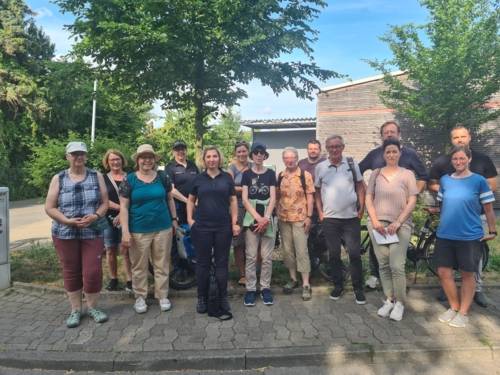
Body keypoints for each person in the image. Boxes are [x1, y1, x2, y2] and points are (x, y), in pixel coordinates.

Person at [429, 125, 498, 307]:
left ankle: (476, 293)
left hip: (474, 221)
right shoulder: (445, 173)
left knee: (471, 268)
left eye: (463, 136)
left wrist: (471, 193)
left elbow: (490, 200)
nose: (460, 140)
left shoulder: (481, 167)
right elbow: (434, 186)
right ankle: (452, 299)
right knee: (445, 269)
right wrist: (454, 195)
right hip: (449, 228)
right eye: (456, 137)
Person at [45, 141, 109, 328]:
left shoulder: (96, 175)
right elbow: (49, 207)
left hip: (92, 231)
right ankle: (75, 310)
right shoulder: (59, 178)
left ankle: (93, 308)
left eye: (81, 154)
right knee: (71, 271)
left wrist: (96, 215)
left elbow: (105, 203)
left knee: (93, 271)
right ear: (67, 157)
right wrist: (66, 221)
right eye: (74, 154)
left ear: (86, 156)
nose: (78, 157)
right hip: (65, 232)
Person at [359, 120, 428, 289]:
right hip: (379, 210)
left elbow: (424, 176)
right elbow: (358, 172)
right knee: (379, 245)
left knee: (397, 248)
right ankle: (375, 276)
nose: (389, 134)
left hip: (401, 210)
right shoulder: (374, 154)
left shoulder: (409, 154)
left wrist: (412, 195)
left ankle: (397, 282)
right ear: (381, 136)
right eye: (386, 132)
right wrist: (369, 191)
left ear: (399, 134)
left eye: (392, 132)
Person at [119, 144, 178, 314]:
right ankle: (140, 297)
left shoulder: (162, 177)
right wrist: (125, 231)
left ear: (154, 160)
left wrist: (174, 219)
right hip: (138, 230)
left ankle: (162, 295)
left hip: (163, 227)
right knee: (139, 265)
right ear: (137, 160)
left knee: (162, 263)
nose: (147, 160)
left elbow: (170, 199)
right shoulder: (129, 180)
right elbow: (123, 207)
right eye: (143, 157)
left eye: (150, 157)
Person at [365, 139, 419, 321]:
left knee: (397, 265)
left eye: (394, 151)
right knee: (383, 264)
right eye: (388, 152)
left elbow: (412, 201)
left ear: (400, 153)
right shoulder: (376, 174)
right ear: (383, 154)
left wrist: (398, 222)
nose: (391, 155)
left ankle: (400, 303)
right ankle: (389, 299)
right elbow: (368, 198)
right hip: (378, 225)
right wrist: (374, 221)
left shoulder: (407, 174)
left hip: (400, 225)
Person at [187, 146, 240, 318]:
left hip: (223, 227)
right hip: (202, 227)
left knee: (222, 264)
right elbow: (191, 199)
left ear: (219, 158)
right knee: (202, 264)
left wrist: (234, 222)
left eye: (214, 156)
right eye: (208, 156)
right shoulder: (198, 179)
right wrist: (190, 219)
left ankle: (223, 297)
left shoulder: (227, 178)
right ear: (204, 159)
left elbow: (232, 200)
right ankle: (202, 298)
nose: (211, 159)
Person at [315, 135, 366, 305]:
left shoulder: (351, 164)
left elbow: (360, 186)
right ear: (326, 148)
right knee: (334, 255)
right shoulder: (321, 167)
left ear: (343, 147)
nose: (334, 149)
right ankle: (338, 285)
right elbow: (316, 191)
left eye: (337, 146)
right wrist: (321, 212)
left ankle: (358, 288)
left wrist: (362, 209)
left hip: (351, 218)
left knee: (354, 254)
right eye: (331, 147)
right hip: (330, 219)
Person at [277, 147, 315, 301]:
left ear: (297, 158)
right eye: (286, 158)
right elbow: (277, 196)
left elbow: (310, 197)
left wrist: (309, 217)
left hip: (300, 218)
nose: (290, 160)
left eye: (292, 157)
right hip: (283, 219)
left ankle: (306, 284)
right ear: (283, 160)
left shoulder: (305, 176)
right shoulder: (280, 176)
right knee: (287, 251)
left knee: (302, 251)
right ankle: (293, 279)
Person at [241, 142, 276, 306]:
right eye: (256, 153)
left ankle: (265, 288)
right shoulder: (246, 174)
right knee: (251, 256)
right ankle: (250, 289)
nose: (259, 155)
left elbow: (273, 197)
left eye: (262, 153)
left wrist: (266, 218)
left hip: (268, 218)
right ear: (252, 155)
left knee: (267, 257)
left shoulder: (271, 173)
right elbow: (245, 199)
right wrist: (257, 218)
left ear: (265, 155)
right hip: (251, 218)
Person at [101, 149, 132, 292]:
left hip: (127, 218)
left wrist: (122, 214)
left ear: (122, 160)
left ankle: (130, 280)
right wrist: (121, 209)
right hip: (108, 219)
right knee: (110, 249)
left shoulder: (130, 177)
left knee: (126, 249)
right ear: (107, 162)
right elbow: (102, 200)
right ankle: (113, 279)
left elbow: (134, 197)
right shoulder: (102, 178)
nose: (115, 162)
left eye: (117, 159)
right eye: (112, 160)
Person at [227, 141, 252, 286]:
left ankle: (253, 272)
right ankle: (242, 274)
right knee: (239, 243)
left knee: (254, 243)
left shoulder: (253, 166)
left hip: (253, 208)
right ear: (235, 153)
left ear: (248, 152)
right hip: (237, 208)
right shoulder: (231, 169)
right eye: (239, 152)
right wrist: (247, 189)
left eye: (244, 151)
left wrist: (242, 188)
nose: (242, 154)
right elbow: (230, 188)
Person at [165, 140, 199, 225]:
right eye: (177, 149)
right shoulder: (170, 167)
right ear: (173, 152)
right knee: (182, 234)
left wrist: (197, 201)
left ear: (186, 150)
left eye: (183, 149)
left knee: (196, 232)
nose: (180, 151)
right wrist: (188, 202)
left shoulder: (193, 165)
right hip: (179, 208)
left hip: (196, 206)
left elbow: (200, 184)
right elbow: (171, 190)